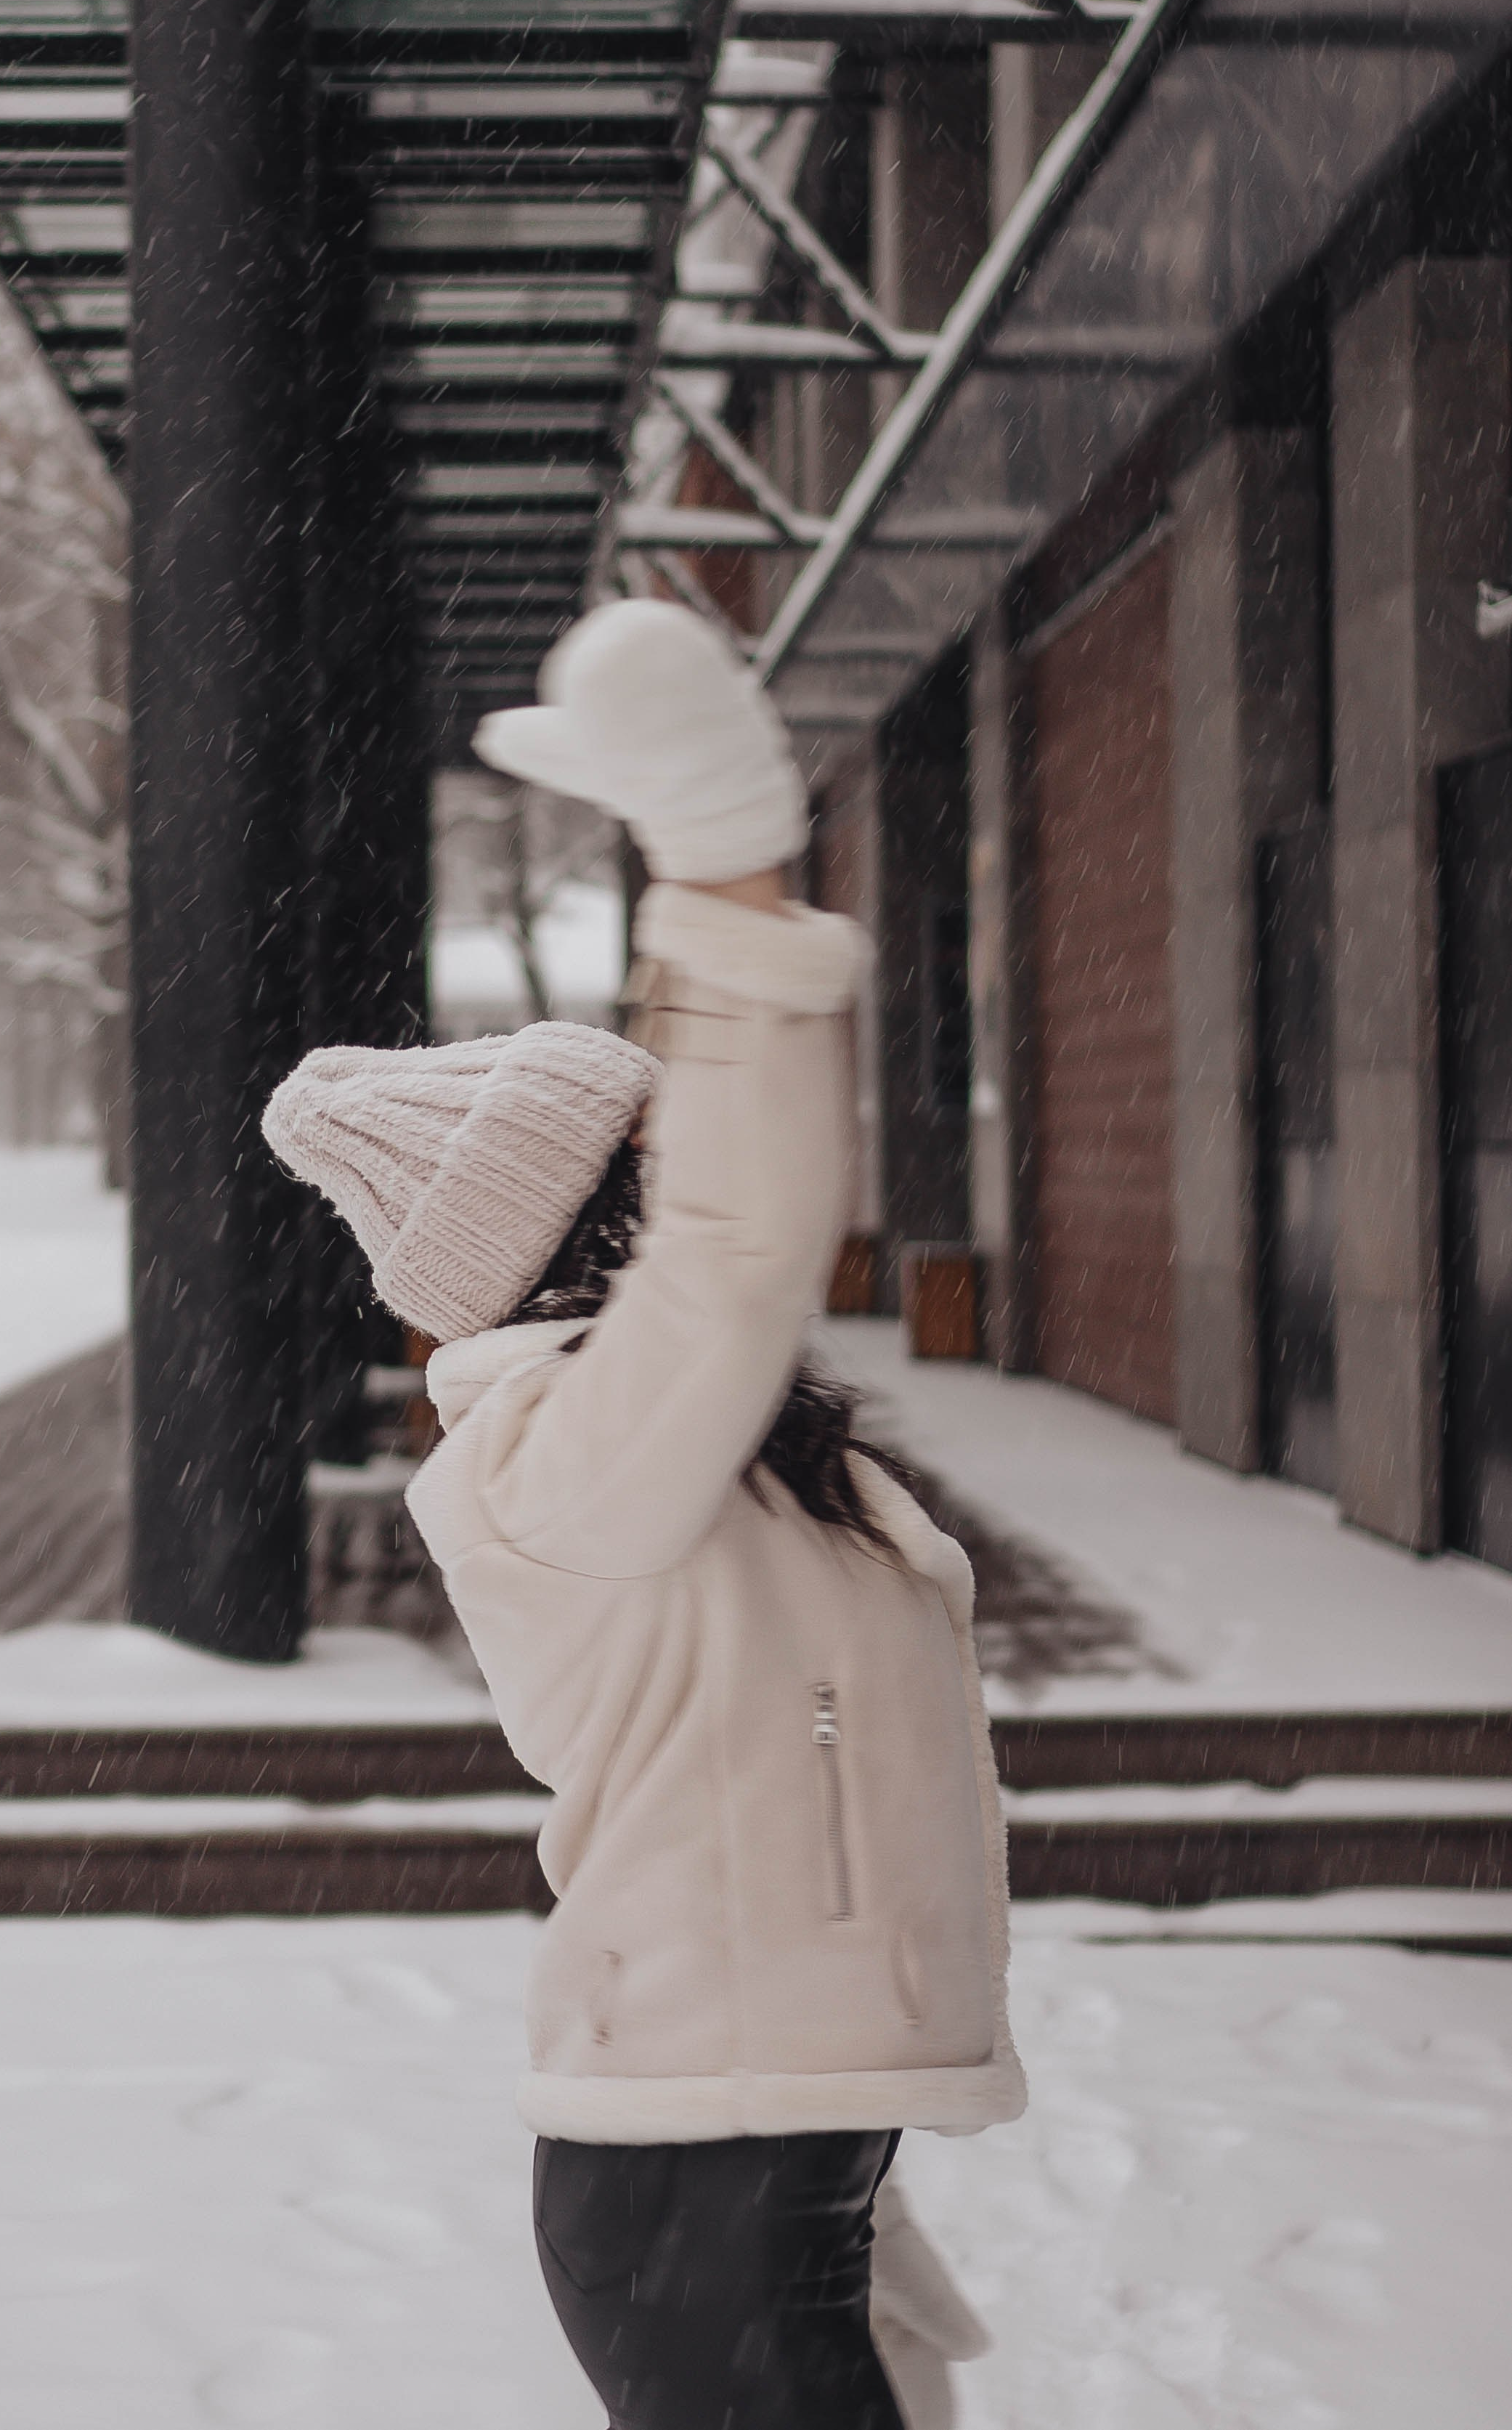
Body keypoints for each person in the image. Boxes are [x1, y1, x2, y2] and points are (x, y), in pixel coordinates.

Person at [264, 601, 1025, 2430]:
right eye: (654, 1154)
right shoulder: (562, 1460)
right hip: (700, 2165)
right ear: (600, 1232)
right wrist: (720, 871)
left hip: (771, 2140)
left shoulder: (718, 1450)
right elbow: (745, 1239)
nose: (699, 1154)